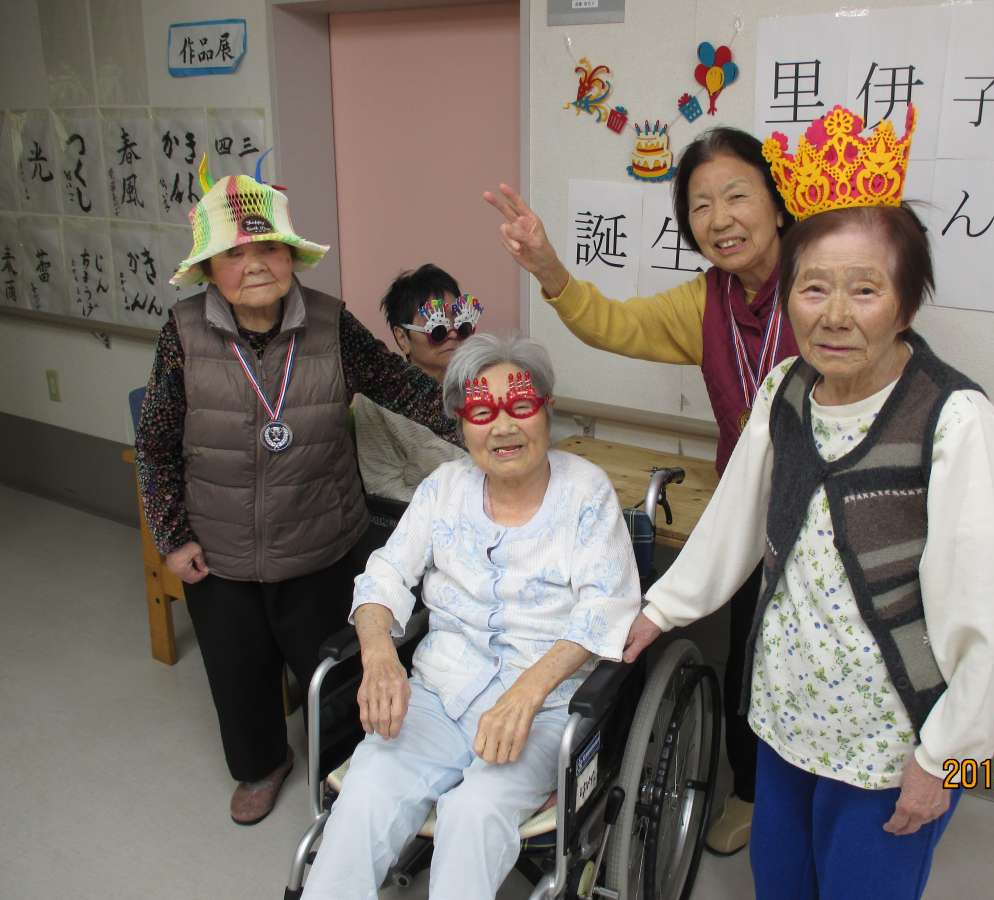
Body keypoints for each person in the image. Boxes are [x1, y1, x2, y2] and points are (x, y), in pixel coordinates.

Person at [622, 105, 994, 899]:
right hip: (786, 714)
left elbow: (986, 611)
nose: (836, 315)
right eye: (813, 287)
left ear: (905, 303)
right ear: (790, 297)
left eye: (865, 289)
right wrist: (662, 610)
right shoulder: (785, 390)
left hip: (893, 741)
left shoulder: (957, 422)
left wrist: (944, 756)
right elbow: (735, 521)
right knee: (780, 883)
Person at [485, 126, 798, 853]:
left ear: (779, 204)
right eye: (700, 205)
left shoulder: (822, 281)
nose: (720, 219)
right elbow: (614, 325)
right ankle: (751, 794)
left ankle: (820, 801)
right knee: (750, 657)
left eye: (737, 196)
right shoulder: (706, 302)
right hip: (751, 516)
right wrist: (548, 266)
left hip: (832, 515)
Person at [135, 165, 460, 826]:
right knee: (238, 673)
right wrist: (172, 535)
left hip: (322, 543)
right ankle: (261, 765)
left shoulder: (330, 324)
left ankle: (343, 773)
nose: (255, 264)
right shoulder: (183, 333)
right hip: (220, 552)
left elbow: (405, 389)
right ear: (209, 270)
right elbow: (157, 443)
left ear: (291, 257)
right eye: (235, 253)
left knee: (335, 674)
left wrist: (489, 423)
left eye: (269, 247)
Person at [301, 333, 642, 899]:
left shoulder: (586, 494)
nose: (503, 427)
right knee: (367, 790)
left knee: (474, 812)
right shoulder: (444, 488)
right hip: (439, 692)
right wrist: (380, 656)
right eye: (482, 412)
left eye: (521, 406)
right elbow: (385, 574)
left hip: (543, 708)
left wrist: (526, 693)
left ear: (547, 410)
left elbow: (605, 606)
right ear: (462, 424)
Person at [352, 263, 479, 502]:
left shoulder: (480, 381)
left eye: (460, 323)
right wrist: (451, 510)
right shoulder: (376, 402)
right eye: (437, 327)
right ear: (403, 338)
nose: (452, 334)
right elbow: (383, 487)